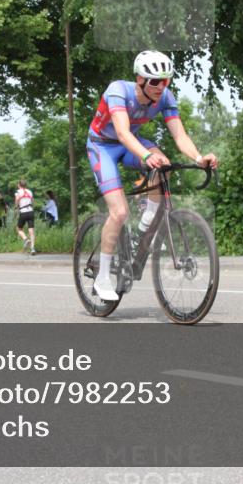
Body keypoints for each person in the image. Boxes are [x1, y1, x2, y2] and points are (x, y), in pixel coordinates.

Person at [86, 50, 218, 301]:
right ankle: (103, 276)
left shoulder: (165, 98)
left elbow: (180, 136)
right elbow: (123, 133)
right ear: (140, 79)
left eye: (166, 80)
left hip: (130, 144)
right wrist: (147, 156)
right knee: (120, 212)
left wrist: (199, 158)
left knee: (164, 164)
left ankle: (144, 227)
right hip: (103, 146)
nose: (161, 86)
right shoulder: (118, 91)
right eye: (155, 81)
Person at [15, 179, 36, 255]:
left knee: (18, 228)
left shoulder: (18, 192)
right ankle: (32, 248)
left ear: (19, 185)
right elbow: (33, 202)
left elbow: (16, 201)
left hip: (23, 212)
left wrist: (16, 208)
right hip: (30, 211)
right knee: (31, 230)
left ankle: (25, 239)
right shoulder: (30, 191)